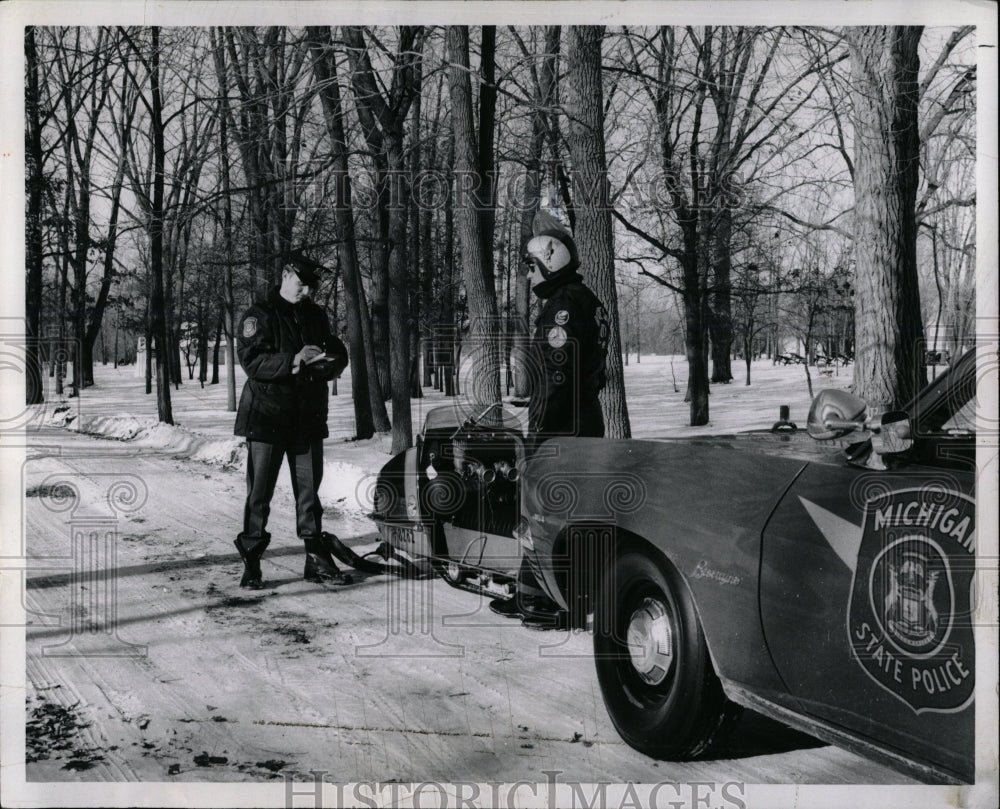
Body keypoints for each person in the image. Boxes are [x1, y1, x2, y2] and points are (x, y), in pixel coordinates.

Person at [491, 212, 609, 629]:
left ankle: (546, 601)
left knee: (545, 512)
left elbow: (557, 380)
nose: (527, 276)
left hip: (562, 428)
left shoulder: (561, 309)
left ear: (550, 261)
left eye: (531, 266)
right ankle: (533, 592)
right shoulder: (587, 301)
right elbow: (596, 371)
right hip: (584, 421)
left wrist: (538, 435)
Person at [233, 250, 350, 589]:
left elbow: (336, 350)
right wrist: (295, 361)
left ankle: (315, 558)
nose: (307, 292)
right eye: (302, 284)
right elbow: (252, 361)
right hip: (267, 419)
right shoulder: (259, 315)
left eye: (311, 286)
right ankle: (252, 561)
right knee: (259, 495)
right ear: (285, 274)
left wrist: (330, 361)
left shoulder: (315, 316)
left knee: (309, 494)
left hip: (306, 419)